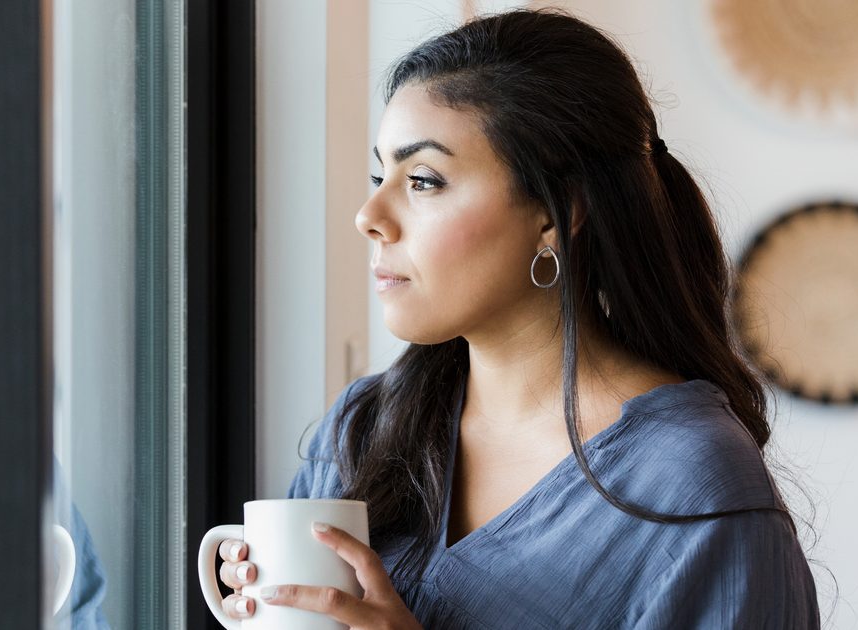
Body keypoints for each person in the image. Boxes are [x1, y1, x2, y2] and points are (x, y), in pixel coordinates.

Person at [213, 8, 820, 629]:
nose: (369, 214)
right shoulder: (360, 429)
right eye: (379, 174)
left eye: (423, 181)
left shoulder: (694, 488)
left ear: (557, 215)